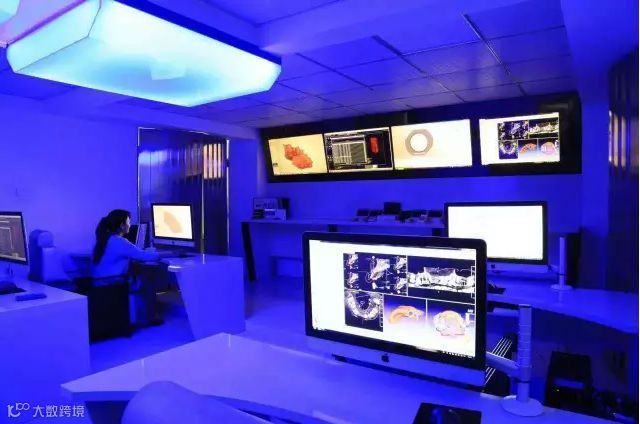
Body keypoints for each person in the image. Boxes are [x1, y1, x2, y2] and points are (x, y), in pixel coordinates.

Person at [92, 209, 170, 326]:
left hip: (99, 283)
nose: (130, 224)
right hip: (113, 283)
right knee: (147, 281)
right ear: (121, 225)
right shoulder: (120, 242)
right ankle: (149, 319)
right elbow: (146, 256)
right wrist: (169, 253)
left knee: (137, 273)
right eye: (128, 221)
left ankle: (140, 316)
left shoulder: (103, 240)